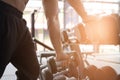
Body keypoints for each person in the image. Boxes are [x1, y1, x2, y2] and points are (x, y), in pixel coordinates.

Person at [0, 0, 40, 80]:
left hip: (19, 19)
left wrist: (59, 52)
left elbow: (53, 15)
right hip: (4, 13)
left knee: (31, 70)